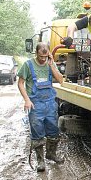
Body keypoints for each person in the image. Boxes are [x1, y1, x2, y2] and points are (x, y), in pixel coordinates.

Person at [17, 42, 64, 172]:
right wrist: (26, 100)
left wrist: (52, 65)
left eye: (45, 56)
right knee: (37, 133)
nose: (43, 59)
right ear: (36, 53)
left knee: (54, 131)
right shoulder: (28, 65)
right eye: (40, 57)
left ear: (48, 54)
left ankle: (51, 154)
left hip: (50, 103)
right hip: (35, 104)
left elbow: (61, 80)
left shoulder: (50, 63)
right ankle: (40, 161)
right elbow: (20, 83)